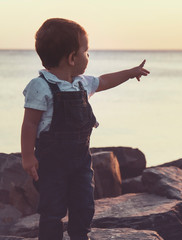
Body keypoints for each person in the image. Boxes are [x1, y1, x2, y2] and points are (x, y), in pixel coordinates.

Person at [20, 18, 150, 240]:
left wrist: (129, 73)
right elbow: (29, 123)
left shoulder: (81, 83)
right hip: (51, 164)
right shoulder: (40, 86)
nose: (88, 56)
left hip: (80, 162)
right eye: (86, 51)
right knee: (52, 210)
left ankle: (81, 236)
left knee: (84, 205)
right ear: (72, 58)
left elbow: (105, 81)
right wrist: (28, 157)